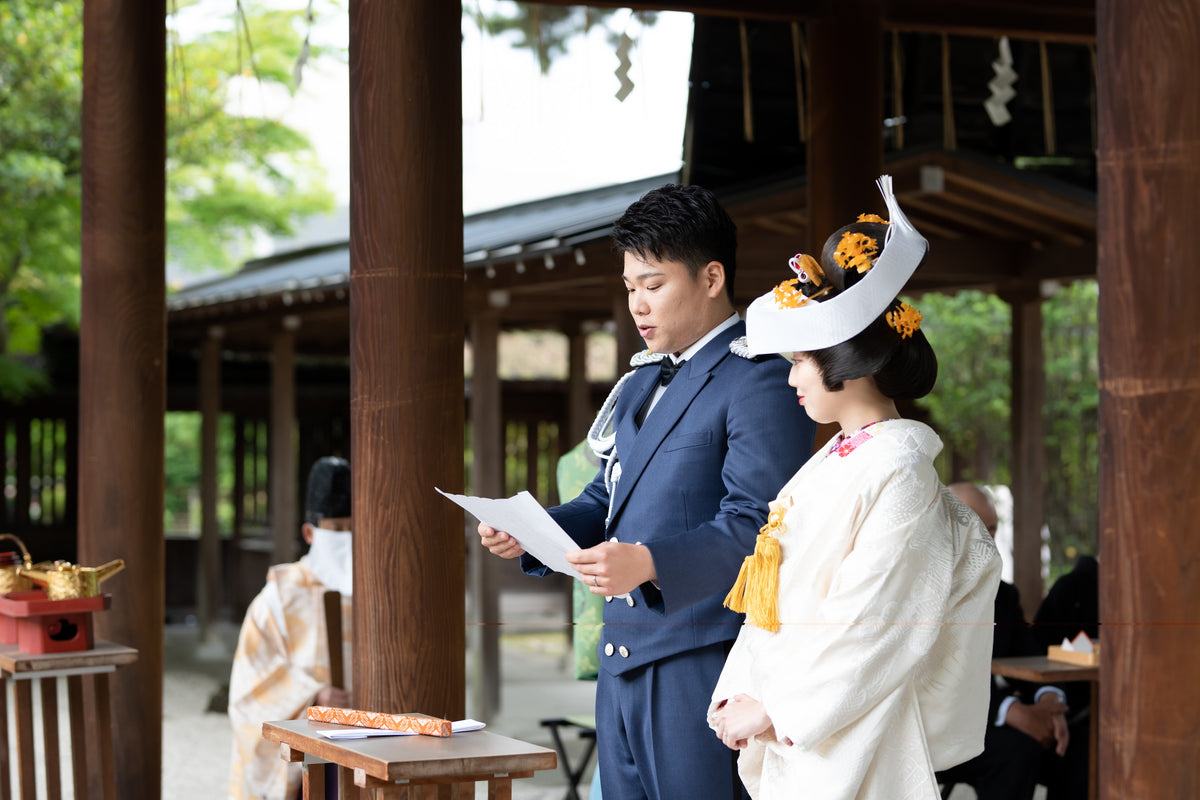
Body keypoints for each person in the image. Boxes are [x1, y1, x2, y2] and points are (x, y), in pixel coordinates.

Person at [478, 182, 815, 799]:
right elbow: (605, 502)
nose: (637, 305)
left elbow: (763, 529)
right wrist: (533, 532)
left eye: (654, 285)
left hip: (705, 659)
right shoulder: (637, 386)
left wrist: (651, 562)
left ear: (712, 278)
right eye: (631, 287)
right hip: (623, 657)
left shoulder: (760, 380)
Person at [707, 176, 1002, 799]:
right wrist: (745, 688)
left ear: (844, 356)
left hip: (854, 733)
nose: (790, 379)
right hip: (805, 724)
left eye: (799, 360)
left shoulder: (898, 470)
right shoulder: (838, 461)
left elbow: (876, 619)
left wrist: (778, 706)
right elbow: (775, 600)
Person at [935, 482, 1082, 800]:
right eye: (973, 525)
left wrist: (1047, 700)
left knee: (1076, 742)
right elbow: (926, 677)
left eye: (991, 528)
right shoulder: (917, 590)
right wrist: (1008, 709)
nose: (986, 538)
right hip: (930, 728)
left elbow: (1029, 654)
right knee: (1016, 750)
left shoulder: (1002, 593)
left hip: (984, 723)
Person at [229, 456, 354, 800]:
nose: (345, 538)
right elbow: (250, 684)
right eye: (336, 529)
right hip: (308, 744)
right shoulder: (279, 597)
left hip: (369, 738)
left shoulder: (378, 593)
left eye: (351, 528)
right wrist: (314, 696)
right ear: (310, 532)